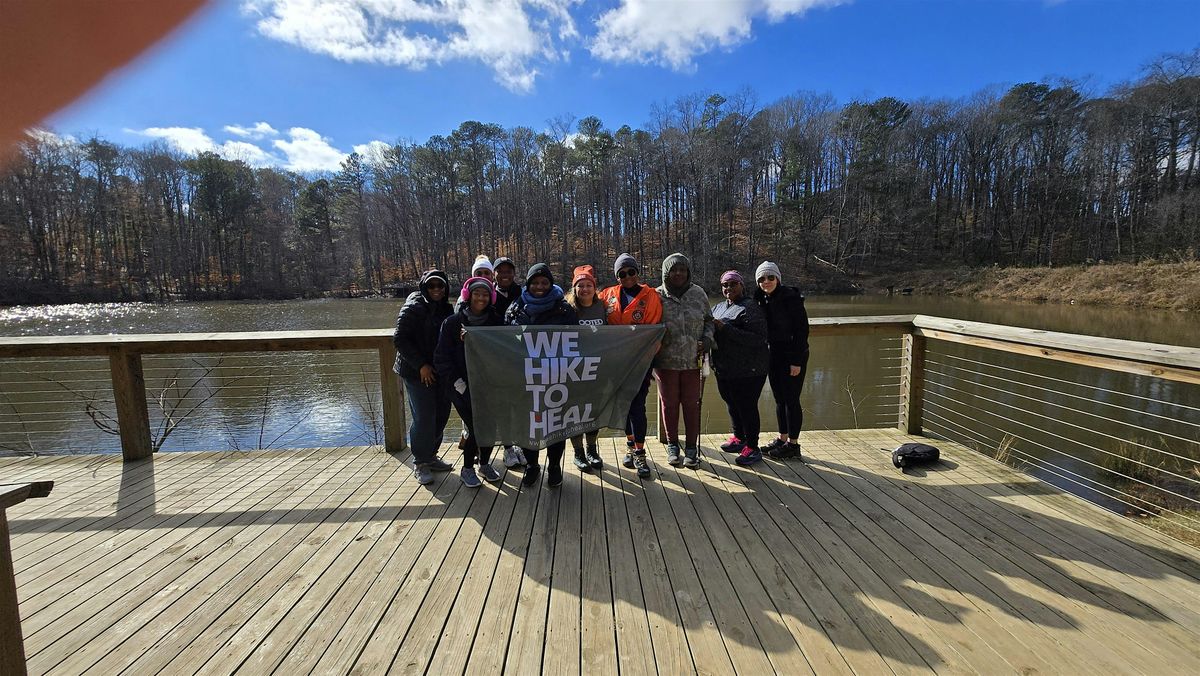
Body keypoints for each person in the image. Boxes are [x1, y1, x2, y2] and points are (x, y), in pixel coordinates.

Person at [506, 263, 578, 487]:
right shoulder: (515, 308)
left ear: (550, 283)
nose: (539, 286)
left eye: (544, 282)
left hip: (555, 377)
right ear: (528, 284)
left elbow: (577, 341)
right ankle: (532, 466)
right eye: (535, 282)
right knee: (528, 424)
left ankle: (554, 466)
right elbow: (503, 340)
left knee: (556, 424)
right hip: (525, 378)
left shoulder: (564, 309)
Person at [434, 277, 505, 487]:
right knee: (476, 426)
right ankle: (467, 469)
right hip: (460, 385)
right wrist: (458, 384)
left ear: (491, 297)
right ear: (468, 295)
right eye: (476, 293)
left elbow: (505, 348)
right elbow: (441, 358)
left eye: (485, 294)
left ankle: (484, 464)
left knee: (490, 425)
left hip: (489, 384)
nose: (481, 298)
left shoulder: (496, 321)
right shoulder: (452, 323)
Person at [598, 253, 663, 479]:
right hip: (615, 364)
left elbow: (654, 331)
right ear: (617, 277)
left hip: (640, 363)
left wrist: (646, 360)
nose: (627, 277)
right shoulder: (607, 295)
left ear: (637, 272)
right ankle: (630, 445)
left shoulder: (651, 296)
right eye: (622, 274)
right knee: (623, 405)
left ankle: (640, 452)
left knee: (637, 405)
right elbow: (587, 307)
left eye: (631, 272)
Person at [392, 269, 456, 485]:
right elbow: (400, 339)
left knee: (442, 414)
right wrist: (421, 365)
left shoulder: (446, 308)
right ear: (424, 287)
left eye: (440, 285)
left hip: (440, 371)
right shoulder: (413, 306)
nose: (436, 289)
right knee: (424, 416)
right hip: (415, 372)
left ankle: (431, 456)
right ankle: (420, 462)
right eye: (431, 286)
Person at [653, 253, 714, 469]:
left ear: (688, 272)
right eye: (674, 270)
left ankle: (691, 448)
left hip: (693, 361)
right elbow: (648, 326)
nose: (678, 273)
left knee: (692, 405)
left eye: (683, 270)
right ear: (665, 273)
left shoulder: (698, 293)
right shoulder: (656, 296)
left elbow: (709, 321)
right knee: (669, 404)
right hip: (665, 362)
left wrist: (708, 338)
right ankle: (672, 445)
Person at [711, 270, 770, 466]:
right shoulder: (718, 307)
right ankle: (739, 437)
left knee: (747, 406)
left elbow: (758, 338)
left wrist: (725, 328)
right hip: (724, 367)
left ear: (741, 285)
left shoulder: (750, 307)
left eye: (733, 284)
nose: (729, 288)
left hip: (750, 370)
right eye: (725, 285)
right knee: (731, 402)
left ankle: (753, 447)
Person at [754, 261, 810, 460]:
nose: (766, 281)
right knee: (779, 399)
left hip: (792, 355)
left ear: (778, 278)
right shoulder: (760, 298)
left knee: (791, 400)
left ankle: (793, 445)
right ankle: (782, 439)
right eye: (762, 278)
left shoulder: (791, 298)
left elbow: (802, 331)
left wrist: (796, 361)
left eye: (770, 277)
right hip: (774, 354)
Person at [565, 264, 606, 471]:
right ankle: (578, 453)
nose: (585, 289)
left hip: (597, 369)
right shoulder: (567, 309)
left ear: (594, 287)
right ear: (574, 288)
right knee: (574, 413)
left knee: (593, 412)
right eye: (580, 285)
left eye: (588, 285)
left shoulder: (603, 306)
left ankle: (592, 450)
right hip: (573, 369)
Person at [491, 255, 526, 470]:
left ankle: (520, 444)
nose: (505, 275)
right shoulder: (488, 295)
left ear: (514, 273)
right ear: (494, 274)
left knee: (521, 406)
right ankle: (507, 448)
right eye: (500, 271)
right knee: (503, 407)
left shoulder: (523, 294)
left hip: (520, 361)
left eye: (508, 271)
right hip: (497, 362)